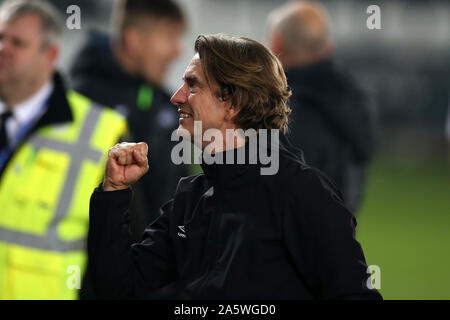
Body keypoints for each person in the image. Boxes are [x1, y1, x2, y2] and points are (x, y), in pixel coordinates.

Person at [87, 33, 382, 300]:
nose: (176, 97)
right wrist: (114, 192)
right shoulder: (191, 199)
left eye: (192, 85)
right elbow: (117, 288)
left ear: (233, 103)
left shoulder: (300, 191)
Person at [0, 0, 127, 299]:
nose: (3, 49)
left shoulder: (102, 131)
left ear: (51, 55)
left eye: (17, 42)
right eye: (0, 38)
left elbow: (119, 248)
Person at [70, 0, 189, 244]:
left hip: (154, 268)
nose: (177, 51)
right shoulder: (80, 102)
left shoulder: (164, 104)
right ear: (134, 40)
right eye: (168, 38)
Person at [267, 1, 377, 213]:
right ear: (328, 47)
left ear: (276, 43)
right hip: (338, 236)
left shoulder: (274, 105)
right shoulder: (355, 98)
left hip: (280, 238)